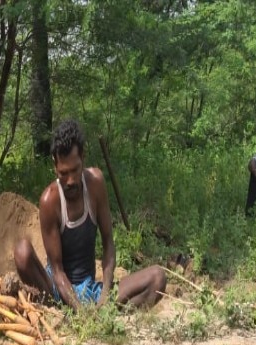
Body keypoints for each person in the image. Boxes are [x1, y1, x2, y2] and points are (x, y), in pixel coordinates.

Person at [14, 119, 166, 311]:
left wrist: (105, 295)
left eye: (75, 170)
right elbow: (58, 271)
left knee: (157, 277)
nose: (70, 180)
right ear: (54, 166)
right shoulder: (50, 201)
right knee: (22, 251)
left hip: (90, 290)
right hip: (58, 291)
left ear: (83, 158)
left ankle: (108, 314)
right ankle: (62, 313)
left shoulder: (95, 183)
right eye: (63, 173)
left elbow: (108, 243)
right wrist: (80, 311)